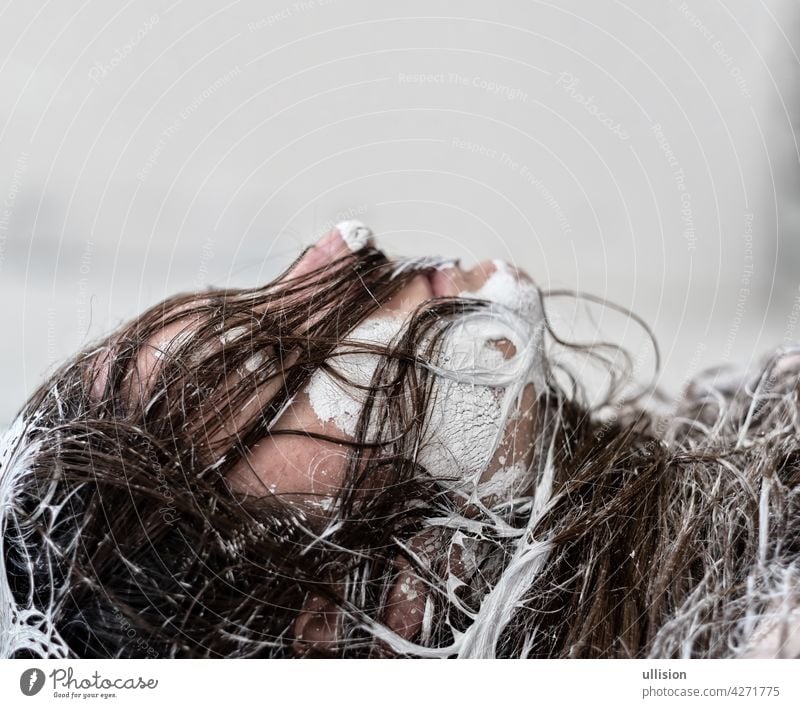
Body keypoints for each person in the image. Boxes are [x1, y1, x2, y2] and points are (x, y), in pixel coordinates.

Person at [1, 221, 798, 659]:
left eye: (262, 290)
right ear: (321, 618)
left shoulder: (738, 440)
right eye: (271, 352)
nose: (340, 245)